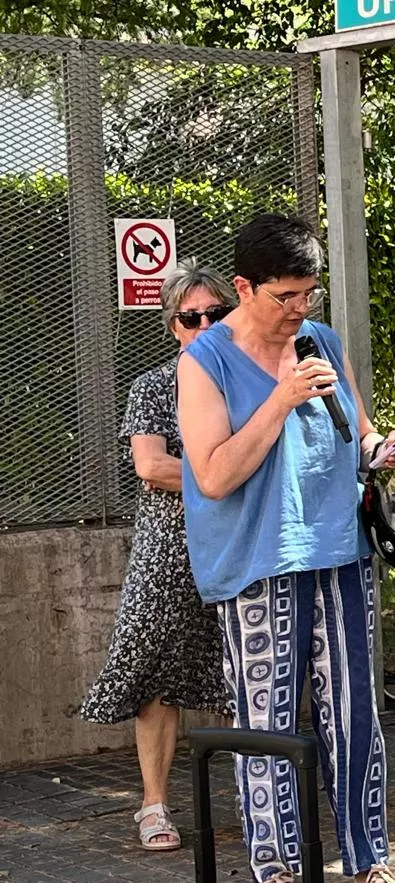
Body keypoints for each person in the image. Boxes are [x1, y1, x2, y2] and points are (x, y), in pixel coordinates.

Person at [177, 214, 395, 883]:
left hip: (339, 551)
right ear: (244, 288)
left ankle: (370, 861)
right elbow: (214, 474)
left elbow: (358, 436)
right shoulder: (205, 363)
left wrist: (387, 451)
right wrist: (279, 400)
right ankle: (274, 873)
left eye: (309, 293)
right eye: (285, 296)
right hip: (257, 564)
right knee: (266, 723)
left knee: (353, 715)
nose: (299, 309)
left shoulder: (322, 341)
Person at [79, 262, 235, 852]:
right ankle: (153, 805)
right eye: (189, 318)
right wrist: (229, 471)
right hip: (167, 550)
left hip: (238, 545)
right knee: (153, 674)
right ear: (173, 326)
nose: (203, 326)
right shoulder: (152, 386)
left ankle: (258, 798)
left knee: (242, 671)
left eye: (215, 315)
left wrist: (192, 472)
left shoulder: (252, 381)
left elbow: (174, 470)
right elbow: (150, 466)